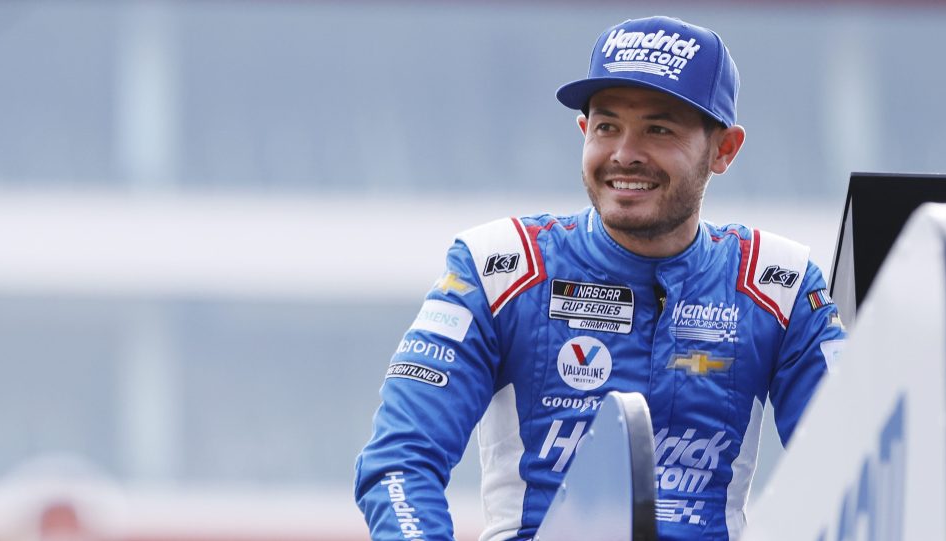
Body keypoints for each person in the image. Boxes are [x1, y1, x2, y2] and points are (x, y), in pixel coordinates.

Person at [354, 15, 846, 541]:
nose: (624, 153)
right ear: (584, 132)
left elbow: (851, 458)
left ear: (723, 149)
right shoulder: (500, 266)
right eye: (607, 126)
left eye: (659, 129)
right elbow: (399, 464)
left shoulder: (778, 286)